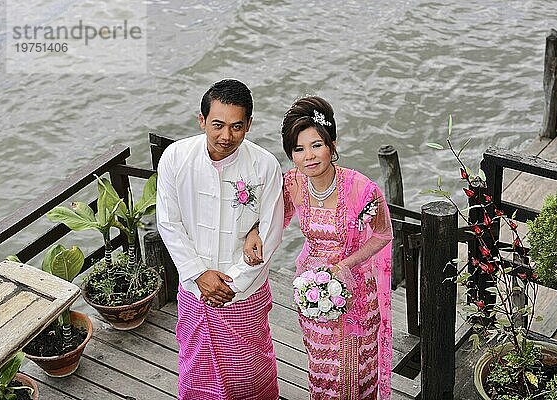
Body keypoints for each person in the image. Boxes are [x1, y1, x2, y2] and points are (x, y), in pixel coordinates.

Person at [244, 96, 393, 399]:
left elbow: (383, 235)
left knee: (356, 366)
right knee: (322, 365)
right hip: (312, 289)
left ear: (332, 145)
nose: (308, 156)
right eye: (298, 149)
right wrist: (253, 232)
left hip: (356, 292)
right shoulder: (293, 185)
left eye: (316, 145)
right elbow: (273, 221)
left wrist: (345, 265)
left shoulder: (361, 188)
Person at [156, 79, 284, 400]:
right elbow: (169, 223)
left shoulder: (264, 165)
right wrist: (199, 274)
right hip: (195, 290)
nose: (226, 136)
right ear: (201, 120)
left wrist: (233, 284)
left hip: (244, 293)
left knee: (250, 372)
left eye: (236, 127)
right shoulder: (175, 158)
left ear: (249, 124)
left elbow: (270, 230)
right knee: (196, 369)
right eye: (217, 125)